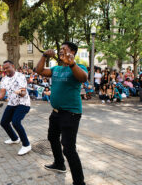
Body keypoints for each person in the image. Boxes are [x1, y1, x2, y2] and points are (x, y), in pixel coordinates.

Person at [36, 41, 87, 185]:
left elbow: (83, 78)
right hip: (56, 113)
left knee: (69, 148)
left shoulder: (78, 67)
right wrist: (44, 55)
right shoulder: (56, 69)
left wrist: (71, 64)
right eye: (60, 49)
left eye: (64, 49)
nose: (60, 51)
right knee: (52, 138)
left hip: (70, 113)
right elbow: (39, 70)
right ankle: (59, 164)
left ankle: (79, 182)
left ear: (73, 52)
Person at [0, 60, 32, 155]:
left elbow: (23, 93)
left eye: (7, 67)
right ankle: (15, 139)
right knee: (4, 122)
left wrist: (20, 92)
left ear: (13, 66)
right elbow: (2, 93)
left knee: (16, 122)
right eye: (4, 68)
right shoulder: (4, 79)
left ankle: (26, 145)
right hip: (12, 103)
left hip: (23, 103)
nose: (5, 70)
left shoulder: (20, 76)